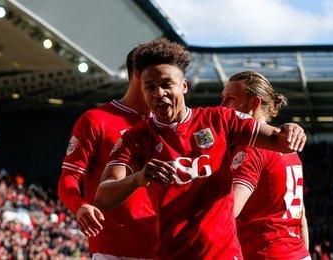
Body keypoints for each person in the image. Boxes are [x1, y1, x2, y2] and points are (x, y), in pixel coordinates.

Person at [94, 39, 307, 259]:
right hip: (172, 254)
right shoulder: (135, 138)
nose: (159, 93)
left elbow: (280, 141)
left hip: (223, 254)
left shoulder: (220, 120)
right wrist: (138, 178)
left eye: (167, 84)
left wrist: (292, 128)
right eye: (150, 87)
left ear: (184, 85)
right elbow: (102, 196)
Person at [57, 49, 157, 259]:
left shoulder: (167, 126)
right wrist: (81, 206)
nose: (163, 90)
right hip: (114, 249)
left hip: (162, 249)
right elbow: (68, 180)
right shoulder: (96, 120)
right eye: (157, 79)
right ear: (138, 73)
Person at [222, 71, 310, 259]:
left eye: (230, 99)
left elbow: (229, 212)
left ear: (254, 103)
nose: (222, 107)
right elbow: (301, 219)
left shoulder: (251, 150)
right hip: (298, 253)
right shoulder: (290, 149)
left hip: (264, 253)